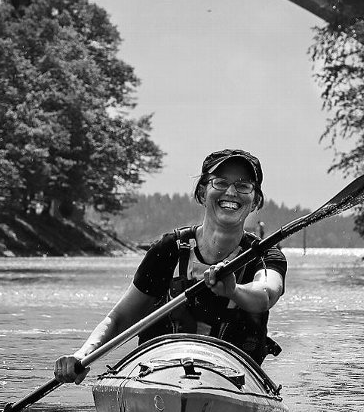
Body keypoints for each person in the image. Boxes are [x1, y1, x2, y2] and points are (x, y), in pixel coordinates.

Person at [54, 149, 286, 382]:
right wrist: (83, 354)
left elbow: (265, 294)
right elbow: (120, 318)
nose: (232, 192)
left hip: (232, 377)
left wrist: (234, 290)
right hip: (158, 373)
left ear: (255, 200)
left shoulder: (265, 255)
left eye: (244, 186)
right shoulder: (168, 250)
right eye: (221, 182)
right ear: (203, 192)